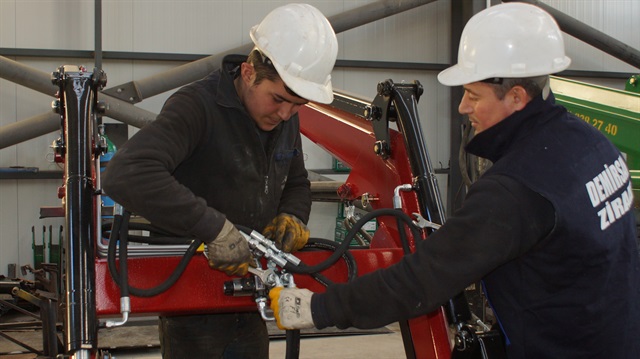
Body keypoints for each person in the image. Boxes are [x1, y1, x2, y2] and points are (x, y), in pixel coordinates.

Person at [269, 3, 640, 358]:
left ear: (515, 96)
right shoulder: (592, 145)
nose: (462, 107)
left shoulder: (516, 190)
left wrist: (317, 308)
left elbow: (420, 282)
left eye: (473, 95)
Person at [102, 3, 338, 359]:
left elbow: (297, 182)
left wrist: (292, 216)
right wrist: (214, 228)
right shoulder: (196, 107)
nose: (287, 114)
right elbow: (126, 174)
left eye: (297, 105)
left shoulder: (283, 118)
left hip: (251, 296)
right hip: (194, 303)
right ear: (247, 72)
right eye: (278, 99)